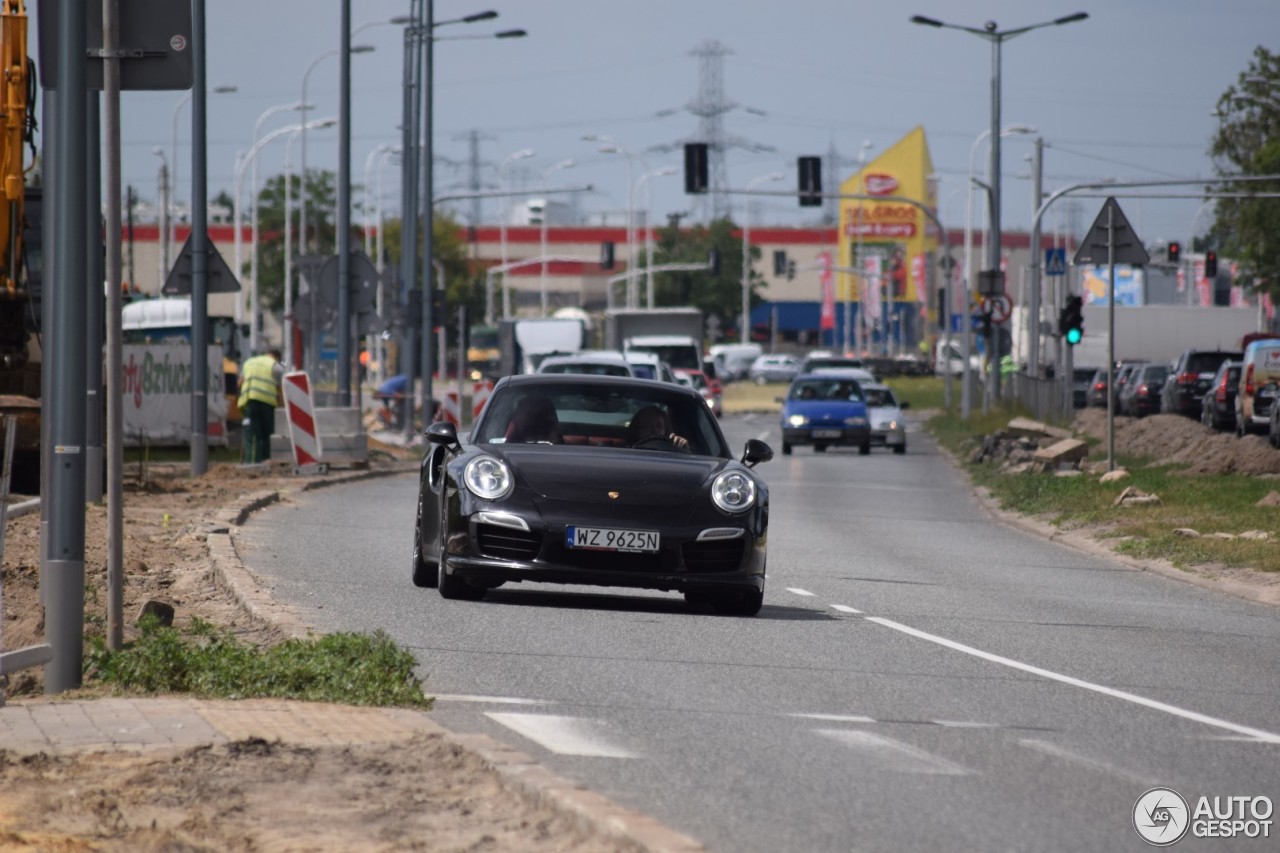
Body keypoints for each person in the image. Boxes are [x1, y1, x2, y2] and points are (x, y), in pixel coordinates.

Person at [238, 348, 284, 464]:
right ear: (277, 358)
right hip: (268, 405)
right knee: (267, 435)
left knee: (252, 436)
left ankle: (252, 463)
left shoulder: (249, 363)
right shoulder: (276, 367)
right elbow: (280, 392)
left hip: (250, 402)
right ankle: (266, 462)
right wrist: (281, 407)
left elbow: (239, 383)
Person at [625, 405, 690, 452]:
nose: (654, 430)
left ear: (666, 429)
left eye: (659, 426)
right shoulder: (629, 453)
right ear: (636, 431)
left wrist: (684, 451)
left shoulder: (674, 451)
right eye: (646, 426)